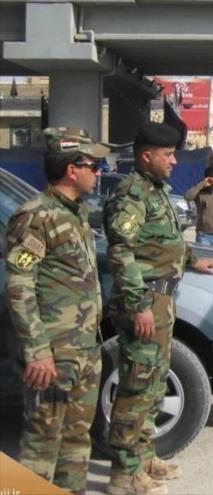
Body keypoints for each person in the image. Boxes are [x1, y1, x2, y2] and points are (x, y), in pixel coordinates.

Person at [104, 122, 213, 494]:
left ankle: (144, 455)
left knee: (153, 384)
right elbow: (121, 252)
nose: (173, 161)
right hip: (145, 302)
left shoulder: (156, 192)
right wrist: (139, 306)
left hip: (161, 301)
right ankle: (124, 475)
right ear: (146, 156)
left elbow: (161, 240)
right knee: (136, 389)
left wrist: (190, 259)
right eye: (168, 155)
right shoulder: (131, 196)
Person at [6, 128, 107, 495]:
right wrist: (37, 351)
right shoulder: (36, 216)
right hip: (53, 353)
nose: (98, 171)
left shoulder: (77, 213)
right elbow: (19, 285)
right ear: (71, 169)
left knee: (77, 441)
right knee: (41, 443)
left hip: (83, 350)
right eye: (93, 165)